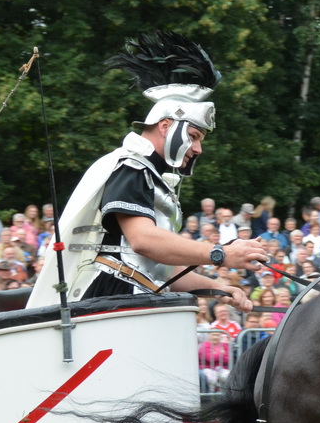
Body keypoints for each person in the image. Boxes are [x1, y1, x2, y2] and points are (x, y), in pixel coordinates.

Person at [28, 32, 265, 314]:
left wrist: (218, 288)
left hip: (136, 295)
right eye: (194, 135)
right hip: (113, 295)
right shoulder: (131, 167)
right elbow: (143, 240)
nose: (199, 148)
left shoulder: (152, 176)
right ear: (165, 126)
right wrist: (221, 254)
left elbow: (163, 271)